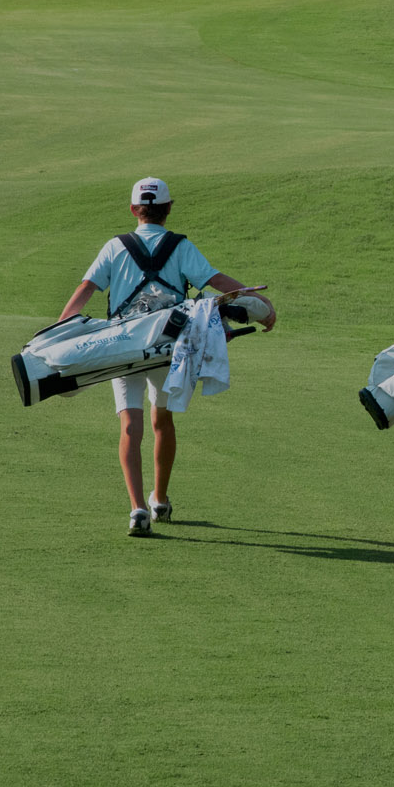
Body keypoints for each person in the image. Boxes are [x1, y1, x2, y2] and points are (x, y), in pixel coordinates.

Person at [56, 177, 275, 537]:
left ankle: (137, 508)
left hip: (122, 346)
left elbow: (87, 288)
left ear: (133, 209)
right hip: (168, 347)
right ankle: (159, 499)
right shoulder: (180, 246)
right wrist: (259, 301)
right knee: (163, 422)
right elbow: (215, 281)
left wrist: (58, 332)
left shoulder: (115, 246)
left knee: (130, 425)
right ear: (168, 208)